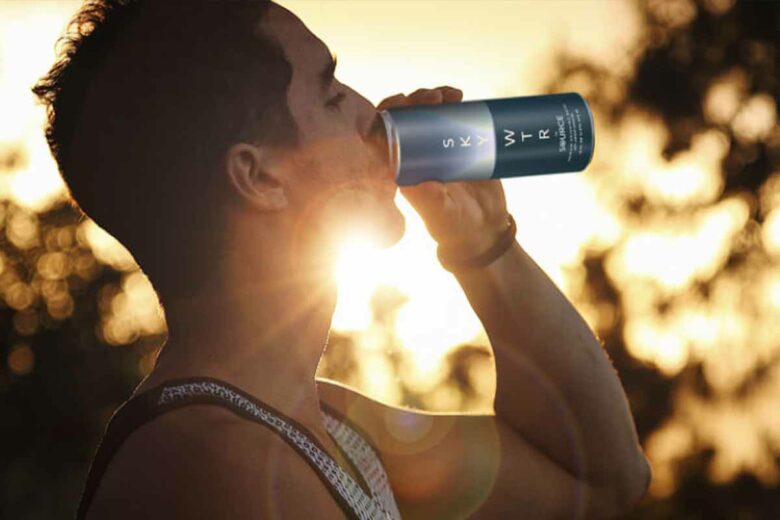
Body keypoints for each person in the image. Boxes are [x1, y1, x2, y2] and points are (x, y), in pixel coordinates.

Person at [33, 1, 651, 518]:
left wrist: (483, 243)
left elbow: (599, 481)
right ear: (259, 176)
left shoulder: (327, 421)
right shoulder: (213, 462)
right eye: (330, 95)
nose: (370, 111)